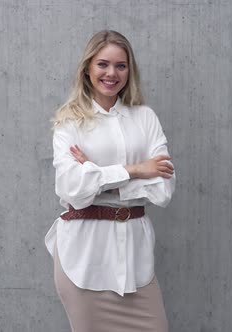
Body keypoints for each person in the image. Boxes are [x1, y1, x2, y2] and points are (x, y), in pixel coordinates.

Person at [44, 30, 176, 332]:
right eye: (103, 64)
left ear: (130, 70)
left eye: (121, 65)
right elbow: (71, 188)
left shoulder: (145, 118)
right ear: (88, 68)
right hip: (84, 260)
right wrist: (137, 170)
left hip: (135, 262)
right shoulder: (69, 122)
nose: (111, 73)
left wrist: (97, 174)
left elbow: (164, 189)